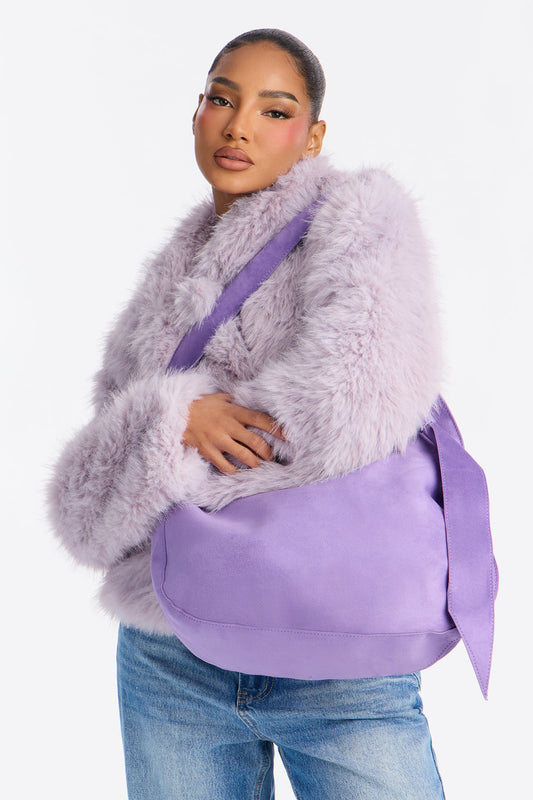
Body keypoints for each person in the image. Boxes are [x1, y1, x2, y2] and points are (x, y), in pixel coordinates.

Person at [47, 28, 446, 800]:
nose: (238, 127)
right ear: (196, 113)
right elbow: (98, 493)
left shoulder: (361, 217)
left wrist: (176, 441)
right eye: (222, 100)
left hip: (336, 648)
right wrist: (173, 418)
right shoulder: (171, 274)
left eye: (274, 109)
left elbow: (357, 402)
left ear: (312, 136)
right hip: (171, 655)